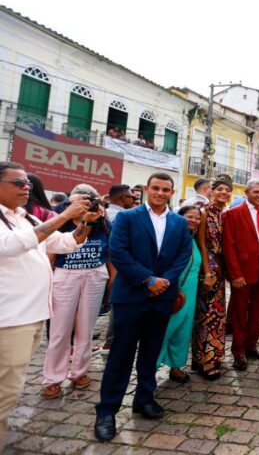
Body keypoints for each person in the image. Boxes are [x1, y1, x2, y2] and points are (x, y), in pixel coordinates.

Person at [0, 163, 96, 447]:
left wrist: (85, 223)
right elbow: (11, 246)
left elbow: (64, 243)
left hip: (31, 316)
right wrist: (64, 215)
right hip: (10, 318)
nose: (26, 188)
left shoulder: (24, 216)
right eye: (18, 183)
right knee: (7, 390)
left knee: (10, 386)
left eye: (27, 183)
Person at [94, 172, 192, 442]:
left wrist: (164, 281)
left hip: (162, 297)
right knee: (121, 354)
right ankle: (107, 411)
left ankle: (144, 398)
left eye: (166, 190)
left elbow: (184, 254)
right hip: (131, 296)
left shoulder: (179, 222)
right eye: (156, 188)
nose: (160, 193)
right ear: (147, 188)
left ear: (172, 193)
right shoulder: (128, 217)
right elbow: (118, 252)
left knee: (151, 351)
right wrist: (147, 280)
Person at [41, 184, 113, 400]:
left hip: (95, 276)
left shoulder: (102, 225)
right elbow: (50, 258)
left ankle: (79, 372)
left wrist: (110, 284)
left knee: (86, 329)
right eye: (77, 201)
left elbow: (110, 255)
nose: (83, 205)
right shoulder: (60, 224)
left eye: (87, 201)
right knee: (59, 331)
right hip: (65, 276)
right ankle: (52, 378)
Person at [222, 179, 259, 371]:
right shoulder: (233, 213)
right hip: (243, 271)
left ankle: (251, 345)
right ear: (246, 192)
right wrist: (235, 274)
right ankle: (238, 351)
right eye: (256, 192)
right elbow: (228, 246)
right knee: (240, 312)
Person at [156, 205, 203, 384]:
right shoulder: (172, 236)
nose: (194, 220)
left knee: (183, 330)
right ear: (179, 216)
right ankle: (150, 369)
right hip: (173, 290)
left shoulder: (193, 238)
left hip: (190, 291)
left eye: (197, 218)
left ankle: (176, 367)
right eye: (189, 216)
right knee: (164, 330)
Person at [192, 174, 232, 380]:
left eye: (227, 190)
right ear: (212, 191)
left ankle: (210, 356)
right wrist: (207, 272)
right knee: (207, 315)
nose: (223, 193)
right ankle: (205, 361)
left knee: (217, 315)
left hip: (221, 269)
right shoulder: (204, 212)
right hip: (208, 268)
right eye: (220, 189)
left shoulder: (224, 214)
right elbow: (201, 244)